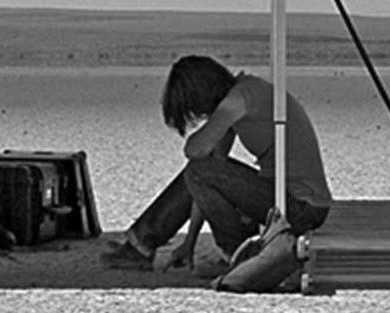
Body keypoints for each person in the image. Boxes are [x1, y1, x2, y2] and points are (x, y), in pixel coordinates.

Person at [101, 55, 332, 277]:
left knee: (199, 169)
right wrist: (188, 242)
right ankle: (141, 244)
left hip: (303, 208)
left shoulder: (238, 100)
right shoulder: (246, 92)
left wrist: (210, 126)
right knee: (201, 169)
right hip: (294, 203)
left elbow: (195, 150)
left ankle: (235, 254)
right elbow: (206, 180)